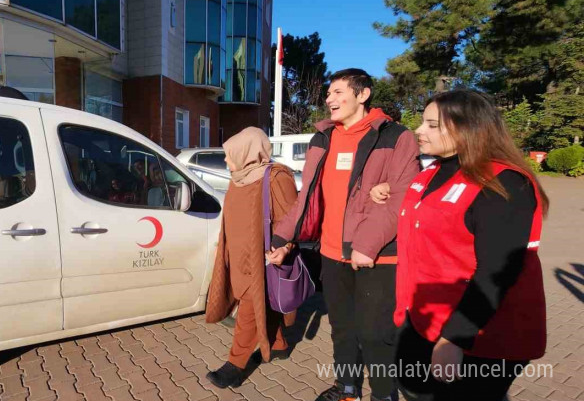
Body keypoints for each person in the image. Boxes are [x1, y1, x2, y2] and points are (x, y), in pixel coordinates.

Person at [368, 90, 549, 401]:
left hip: (479, 335)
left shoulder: (503, 183)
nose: (419, 131)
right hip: (424, 319)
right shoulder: (430, 174)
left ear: (469, 128)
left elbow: (496, 271)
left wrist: (455, 339)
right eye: (422, 123)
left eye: (432, 125)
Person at [268, 69, 420, 401]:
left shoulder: (396, 136)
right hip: (332, 254)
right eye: (328, 93)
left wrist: (366, 246)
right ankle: (347, 387)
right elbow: (307, 196)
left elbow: (404, 197)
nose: (329, 99)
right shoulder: (322, 138)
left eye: (338, 92)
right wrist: (283, 240)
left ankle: (384, 393)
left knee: (376, 334)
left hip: (378, 256)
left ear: (363, 94)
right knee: (342, 328)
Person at [204, 127, 298, 388]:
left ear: (247, 152)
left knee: (250, 307)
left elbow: (290, 219)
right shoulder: (239, 178)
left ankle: (235, 365)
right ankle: (278, 345)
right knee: (263, 305)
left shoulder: (276, 177)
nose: (225, 160)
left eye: (229, 154)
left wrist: (285, 248)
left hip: (263, 260)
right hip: (238, 257)